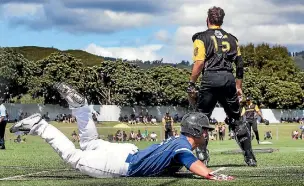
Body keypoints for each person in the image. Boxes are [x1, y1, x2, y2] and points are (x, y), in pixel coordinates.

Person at [10, 82, 234, 181]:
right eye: (205, 131)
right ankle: (40, 125)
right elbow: (189, 160)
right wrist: (210, 174)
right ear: (195, 130)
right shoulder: (183, 146)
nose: (208, 134)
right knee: (75, 158)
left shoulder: (177, 141)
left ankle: (80, 108)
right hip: (125, 163)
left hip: (127, 153)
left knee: (89, 143)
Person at [187, 6, 256, 166]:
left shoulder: (200, 37)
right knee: (237, 119)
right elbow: (239, 64)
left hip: (210, 79)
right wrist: (239, 86)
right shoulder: (233, 39)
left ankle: (202, 155)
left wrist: (191, 82)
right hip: (228, 80)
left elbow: (199, 63)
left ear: (207, 20)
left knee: (200, 119)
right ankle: (249, 156)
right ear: (222, 20)